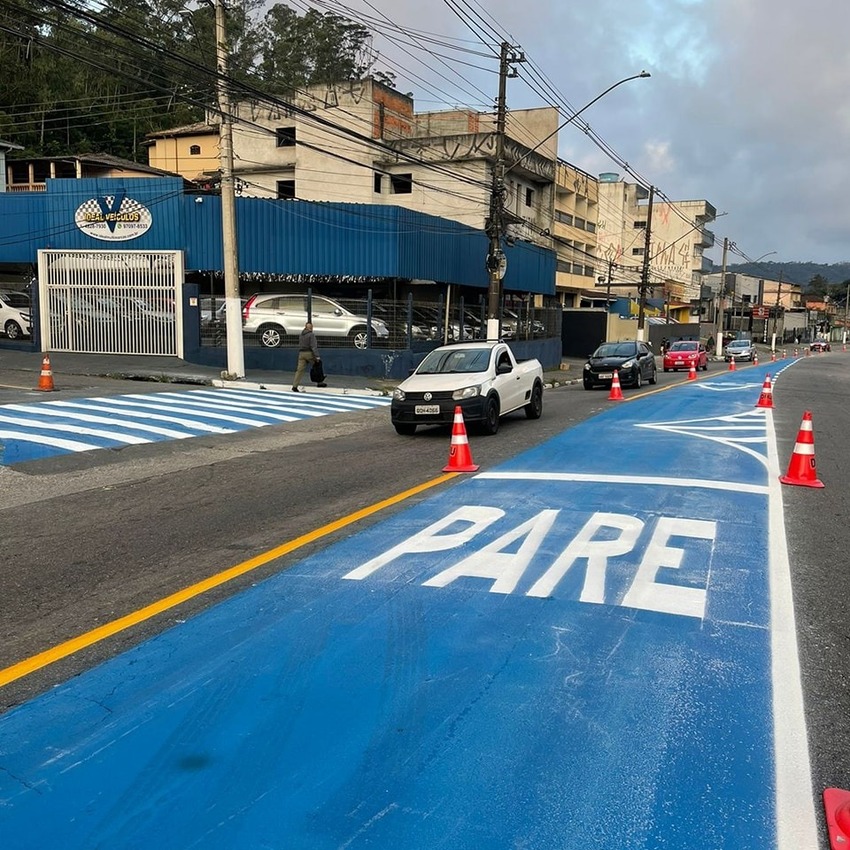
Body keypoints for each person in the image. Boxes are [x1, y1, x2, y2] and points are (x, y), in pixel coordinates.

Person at [292, 321, 325, 391]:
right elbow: (313, 346)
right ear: (311, 328)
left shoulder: (301, 335)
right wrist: (317, 356)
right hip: (309, 353)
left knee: (299, 370)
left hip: (301, 354)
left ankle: (295, 386)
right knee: (318, 365)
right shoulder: (311, 335)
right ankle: (319, 382)